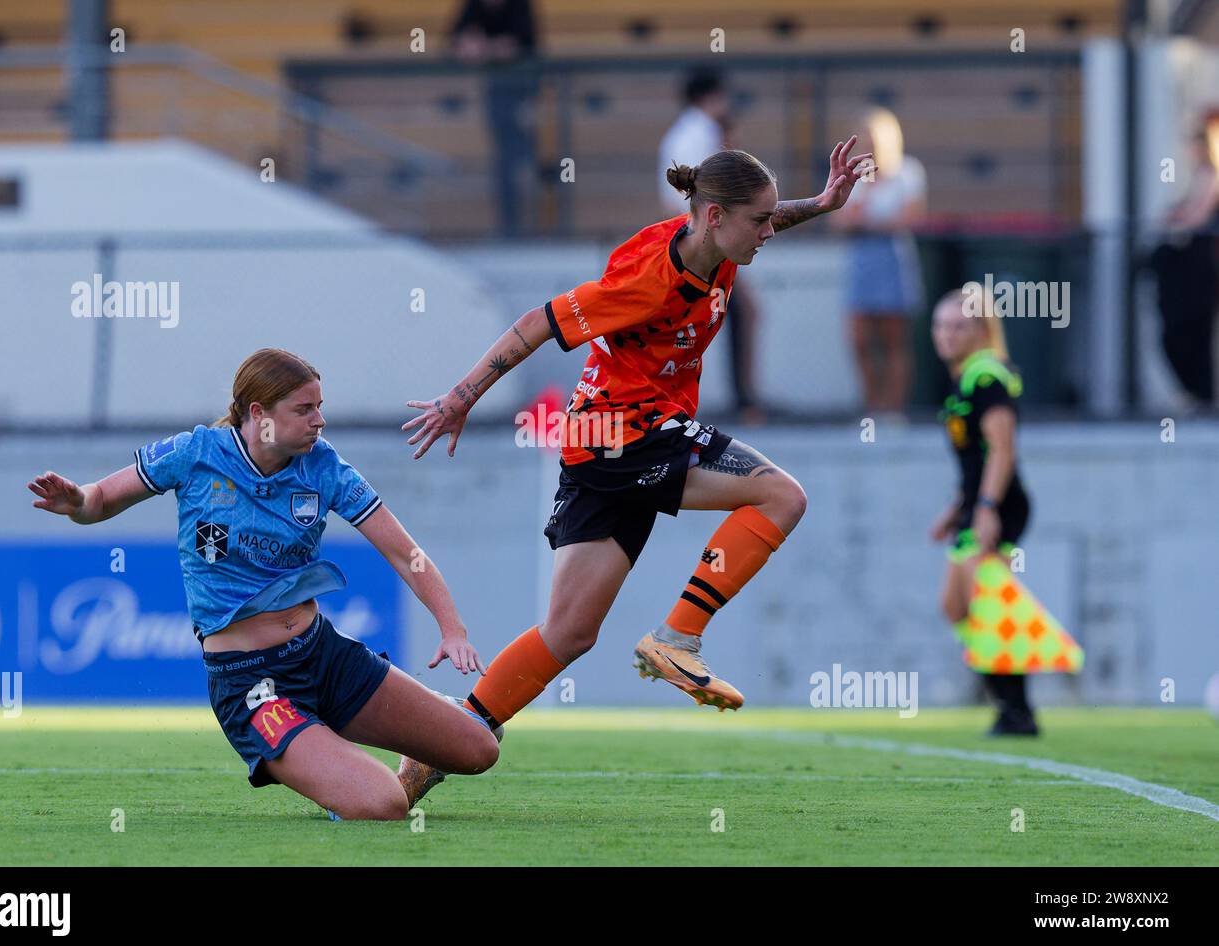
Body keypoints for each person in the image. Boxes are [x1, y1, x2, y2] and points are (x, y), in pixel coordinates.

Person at [399, 139, 873, 801]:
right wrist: (460, 398)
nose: (770, 231)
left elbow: (761, 215)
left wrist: (821, 205)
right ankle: (677, 637)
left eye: (772, 219)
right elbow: (537, 323)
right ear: (713, 216)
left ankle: (441, 743)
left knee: (568, 632)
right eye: (759, 221)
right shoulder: (648, 280)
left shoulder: (716, 238)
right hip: (630, 433)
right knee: (781, 498)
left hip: (598, 444)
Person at [27, 348, 499, 819]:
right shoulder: (196, 453)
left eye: (320, 406)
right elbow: (102, 499)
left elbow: (405, 552)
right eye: (304, 409)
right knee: (384, 806)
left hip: (322, 656)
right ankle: (341, 771)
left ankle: (393, 759)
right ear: (260, 414)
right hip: (252, 683)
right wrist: (77, 501)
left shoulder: (324, 467)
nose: (319, 421)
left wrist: (451, 626)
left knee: (479, 748)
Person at [928, 290, 1037, 735]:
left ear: (981, 332)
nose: (947, 335)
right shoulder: (964, 378)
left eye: (959, 327)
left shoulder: (987, 376)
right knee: (954, 606)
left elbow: (1002, 450)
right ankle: (1006, 698)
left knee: (987, 606)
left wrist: (987, 508)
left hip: (1000, 505)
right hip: (976, 505)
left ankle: (1016, 709)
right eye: (940, 326)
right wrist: (957, 508)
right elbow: (973, 459)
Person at [658, 68, 764, 421]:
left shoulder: (684, 133)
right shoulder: (699, 134)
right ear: (709, 97)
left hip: (698, 236)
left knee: (716, 315)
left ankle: (735, 398)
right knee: (738, 312)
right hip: (705, 239)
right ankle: (743, 399)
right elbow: (702, 192)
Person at [834, 108, 926, 414]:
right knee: (860, 337)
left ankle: (894, 409)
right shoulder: (858, 175)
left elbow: (910, 218)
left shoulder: (907, 172)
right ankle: (871, 405)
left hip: (893, 257)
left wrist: (866, 221)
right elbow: (842, 221)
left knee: (893, 337)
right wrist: (868, 217)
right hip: (861, 259)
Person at [452, 0, 539, 237]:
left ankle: (527, 225)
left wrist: (484, 48)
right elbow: (458, 42)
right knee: (504, 160)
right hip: (495, 94)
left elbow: (517, 45)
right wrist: (483, 47)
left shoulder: (520, 5)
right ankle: (509, 224)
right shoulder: (473, 5)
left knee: (521, 159)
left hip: (524, 92)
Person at [1151, 111, 1219, 407]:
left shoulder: (1212, 175)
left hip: (1203, 268)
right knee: (1179, 333)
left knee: (1192, 331)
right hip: (1192, 268)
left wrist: (1176, 222)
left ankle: (1201, 393)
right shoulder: (1201, 176)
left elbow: (1195, 218)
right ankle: (1197, 392)